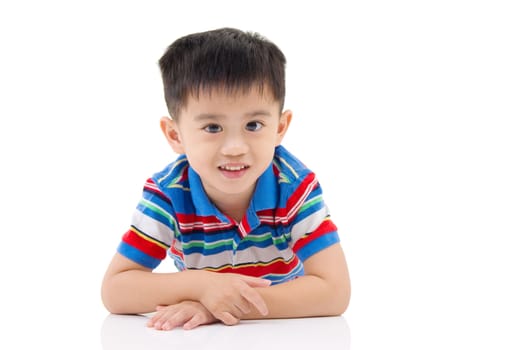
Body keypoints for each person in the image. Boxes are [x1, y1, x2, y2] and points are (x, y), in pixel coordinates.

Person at [101, 27, 350, 331]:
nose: (235, 148)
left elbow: (335, 292)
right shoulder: (168, 193)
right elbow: (115, 290)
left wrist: (221, 307)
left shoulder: (294, 186)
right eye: (212, 128)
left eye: (254, 125)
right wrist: (202, 286)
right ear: (175, 135)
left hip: (285, 331)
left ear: (280, 127)